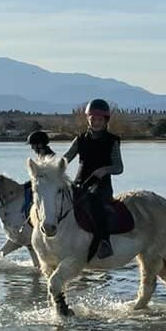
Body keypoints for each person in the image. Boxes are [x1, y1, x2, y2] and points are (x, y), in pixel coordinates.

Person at [62, 98, 123, 259]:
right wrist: (49, 166)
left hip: (101, 186)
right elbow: (66, 159)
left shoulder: (112, 141)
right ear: (88, 119)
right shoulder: (80, 139)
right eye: (93, 119)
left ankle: (104, 241)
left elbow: (119, 167)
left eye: (99, 119)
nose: (96, 122)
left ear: (106, 120)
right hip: (79, 183)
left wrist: (104, 170)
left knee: (96, 203)